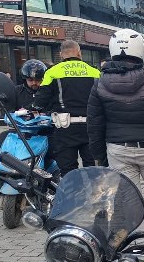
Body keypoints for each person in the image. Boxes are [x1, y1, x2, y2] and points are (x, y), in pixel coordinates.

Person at [87, 28, 144, 232]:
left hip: (118, 150)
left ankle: (140, 244)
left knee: (130, 199)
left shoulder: (100, 84)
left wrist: (99, 156)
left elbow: (94, 125)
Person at [34, 39, 99, 176]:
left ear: (61, 54)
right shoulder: (95, 72)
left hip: (64, 128)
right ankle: (93, 195)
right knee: (93, 169)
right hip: (91, 127)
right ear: (79, 53)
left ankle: (72, 196)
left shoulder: (52, 72)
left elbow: (40, 102)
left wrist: (30, 108)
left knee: (68, 171)